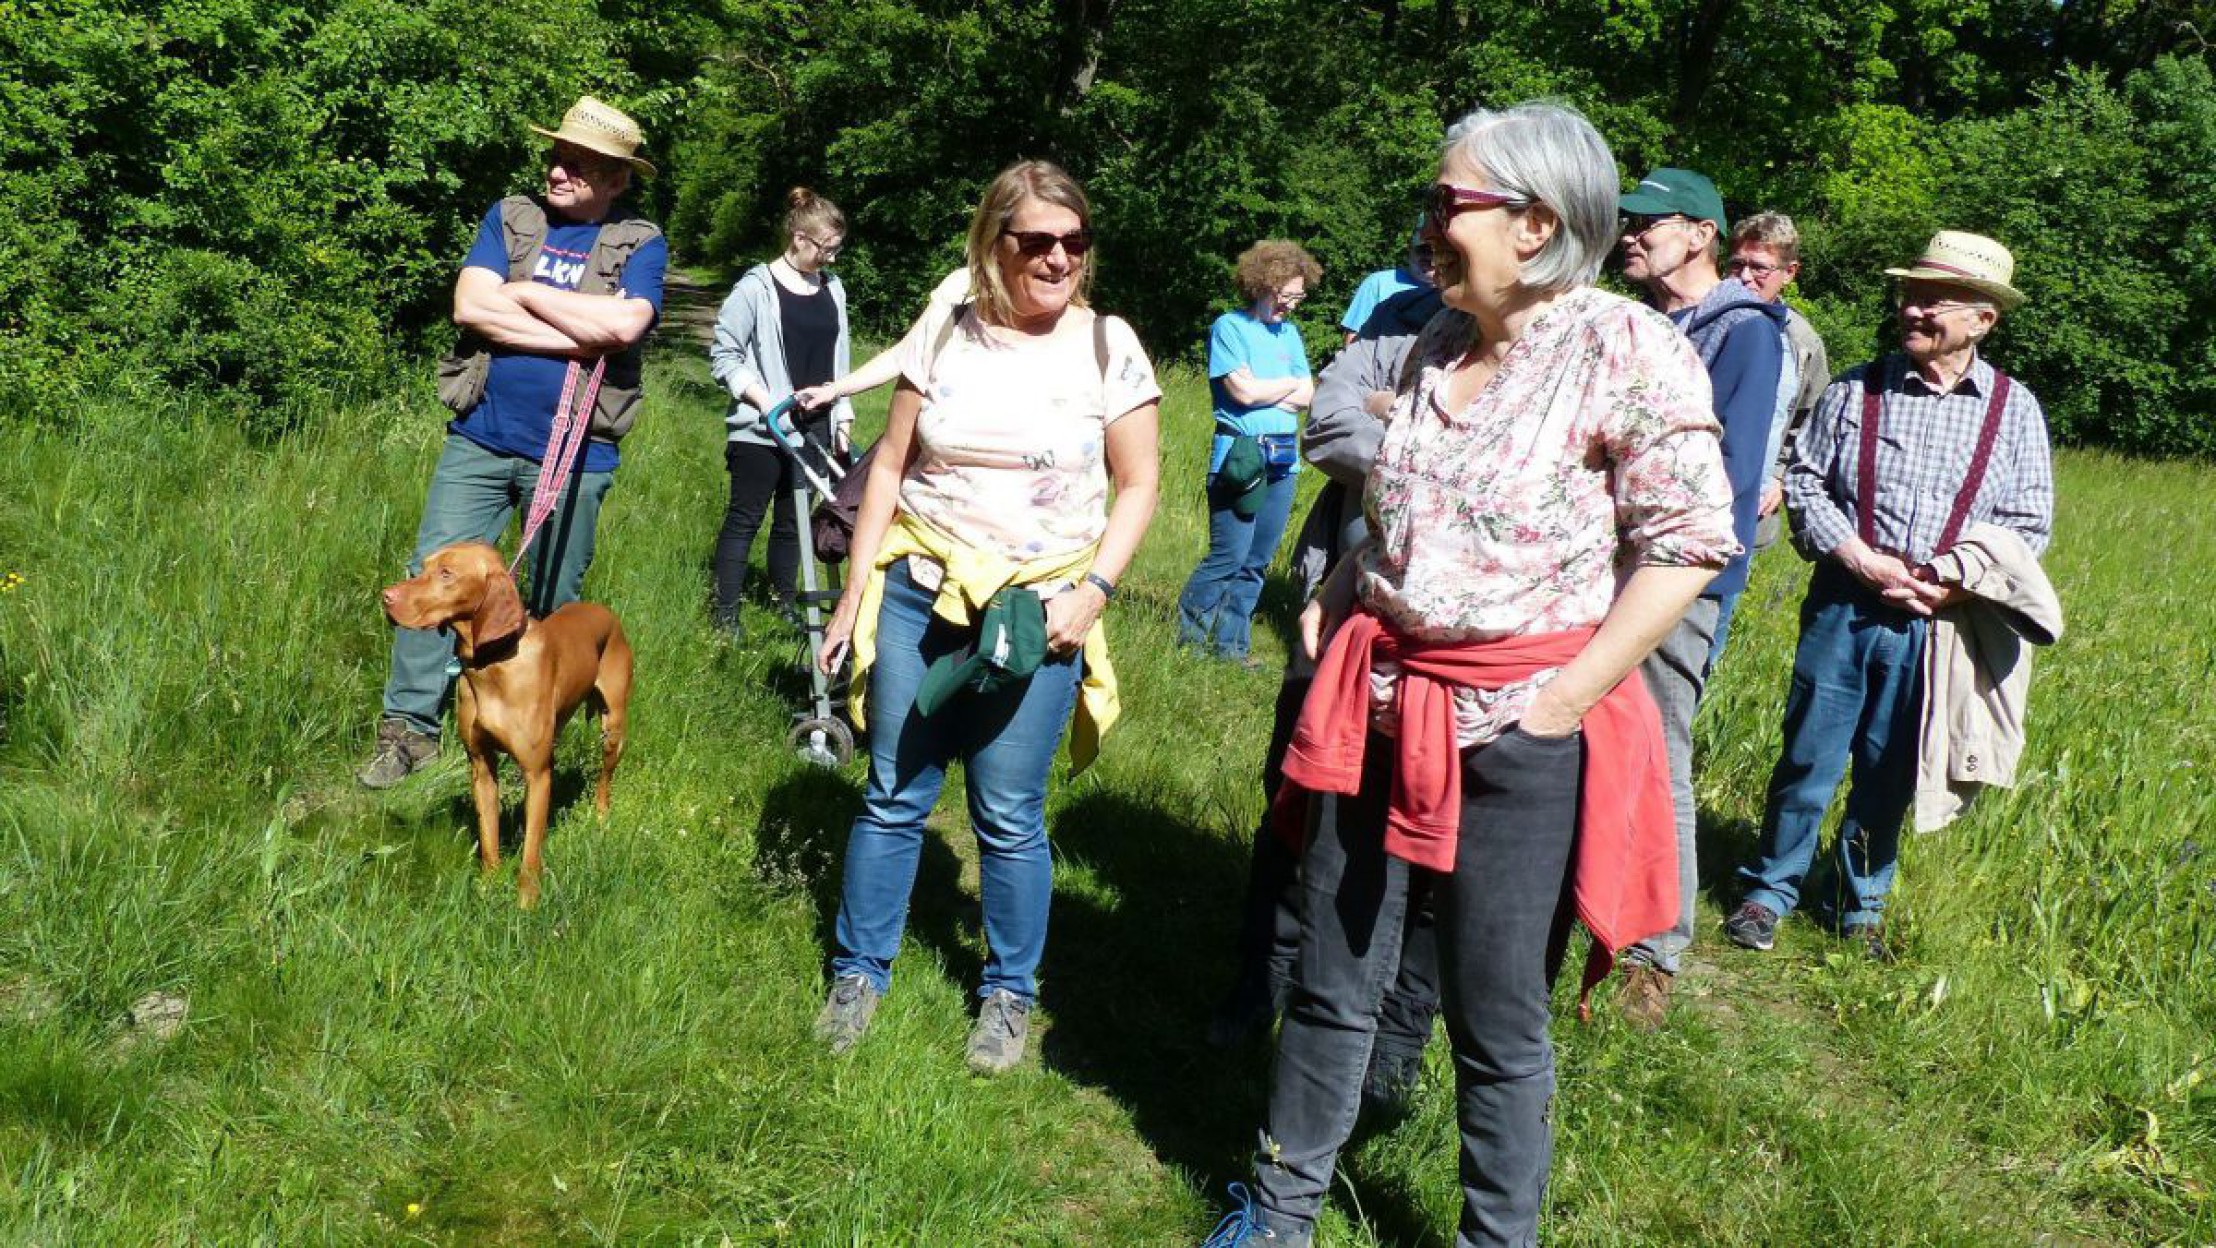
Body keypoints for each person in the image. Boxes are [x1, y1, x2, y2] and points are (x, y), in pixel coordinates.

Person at [1213, 102, 1735, 1248]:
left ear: (1533, 223)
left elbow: (1689, 543)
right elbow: (1412, 505)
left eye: (1447, 202)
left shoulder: (1624, 347)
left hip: (1518, 739)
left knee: (1494, 1024)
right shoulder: (1438, 340)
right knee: (1330, 985)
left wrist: (1558, 704)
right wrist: (1343, 580)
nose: (1427, 221)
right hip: (1374, 709)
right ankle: (1279, 1215)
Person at [810, 161, 1162, 1075]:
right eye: (1037, 241)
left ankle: (1008, 994)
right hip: (921, 590)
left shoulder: (1108, 346)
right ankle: (858, 974)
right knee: (894, 795)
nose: (1058, 259)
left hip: (1041, 609)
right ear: (993, 242)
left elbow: (1139, 483)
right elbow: (890, 466)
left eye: (1074, 242)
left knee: (1007, 811)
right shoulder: (945, 329)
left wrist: (1095, 592)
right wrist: (853, 592)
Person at [1724, 231, 2052, 961]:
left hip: (1941, 623)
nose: (1913, 310)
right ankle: (1768, 891)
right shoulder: (1855, 389)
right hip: (1845, 604)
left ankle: (1858, 904)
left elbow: (2029, 521)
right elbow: (1806, 482)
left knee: (1892, 768)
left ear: (1982, 319)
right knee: (1808, 756)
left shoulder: (2014, 410)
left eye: (1934, 300)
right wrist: (1858, 557)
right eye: (1910, 295)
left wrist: (1952, 582)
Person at [357, 96, 664, 789]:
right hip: (482, 438)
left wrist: (521, 296)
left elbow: (626, 328)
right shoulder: (512, 216)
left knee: (552, 597)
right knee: (430, 578)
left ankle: (527, 729)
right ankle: (409, 732)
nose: (558, 171)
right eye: (557, 156)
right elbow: (470, 305)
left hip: (579, 452)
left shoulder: (640, 242)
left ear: (617, 179)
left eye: (579, 165)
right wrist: (580, 328)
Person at [1208, 239, 1446, 1127]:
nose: (1436, 248)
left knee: (1430, 848)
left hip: (1453, 653)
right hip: (1335, 621)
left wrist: (1395, 421)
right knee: (1293, 805)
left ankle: (1394, 1045)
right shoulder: (1392, 328)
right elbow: (1329, 427)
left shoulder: (1546, 344)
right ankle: (1258, 987)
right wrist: (1442, 449)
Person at [1612, 166, 1790, 1029]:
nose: (1630, 235)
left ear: (1701, 234)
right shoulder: (1651, 321)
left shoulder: (1745, 331)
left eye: (1649, 222)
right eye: (1628, 221)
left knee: (1659, 750)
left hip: (1678, 576)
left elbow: (1730, 471)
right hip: (1611, 563)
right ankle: (1594, 911)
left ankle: (1656, 952)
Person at [708, 187, 856, 629]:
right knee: (745, 518)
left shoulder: (833, 288)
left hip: (815, 428)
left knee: (795, 523)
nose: (831, 258)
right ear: (798, 238)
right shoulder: (754, 288)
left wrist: (843, 417)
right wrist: (766, 400)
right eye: (825, 249)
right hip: (763, 429)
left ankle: (783, 602)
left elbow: (840, 358)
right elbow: (724, 356)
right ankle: (725, 614)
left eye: (836, 249)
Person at [1176, 240, 1321, 664]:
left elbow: (1308, 393)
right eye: (1287, 294)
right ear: (1263, 284)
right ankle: (1190, 642)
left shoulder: (1289, 334)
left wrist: (1267, 389)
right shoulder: (1229, 327)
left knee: (1256, 560)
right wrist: (1285, 387)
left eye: (1298, 296)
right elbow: (1241, 393)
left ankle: (1231, 648)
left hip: (1283, 458)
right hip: (1241, 455)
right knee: (1229, 555)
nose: (1292, 304)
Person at [1727, 213, 1832, 554]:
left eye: (1759, 268)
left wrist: (1779, 474)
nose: (1745, 277)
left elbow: (1813, 422)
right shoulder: (1703, 320)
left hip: (1749, 513)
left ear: (1789, 273)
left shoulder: (1802, 343)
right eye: (1736, 264)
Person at [1336, 231, 1431, 345]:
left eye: (1439, 250)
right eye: (1424, 250)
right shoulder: (1377, 283)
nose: (1431, 257)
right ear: (1409, 250)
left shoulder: (1449, 292)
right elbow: (1353, 338)